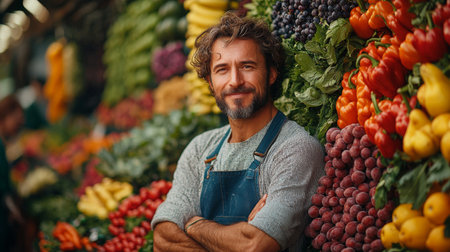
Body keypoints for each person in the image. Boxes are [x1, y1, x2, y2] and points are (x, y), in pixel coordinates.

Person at [151, 12, 324, 252]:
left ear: (271, 73)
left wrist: (194, 225)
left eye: (247, 66)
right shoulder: (200, 149)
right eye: (222, 69)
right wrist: (237, 235)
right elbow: (162, 238)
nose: (235, 80)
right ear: (210, 82)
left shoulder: (295, 148)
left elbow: (255, 245)